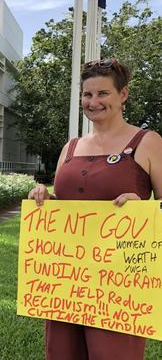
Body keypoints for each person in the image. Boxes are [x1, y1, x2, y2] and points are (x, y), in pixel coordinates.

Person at [28, 59, 162, 359]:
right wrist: (45, 199)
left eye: (103, 94)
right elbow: (63, 205)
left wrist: (145, 210)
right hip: (65, 278)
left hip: (119, 284)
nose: (94, 102)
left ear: (123, 95)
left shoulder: (147, 142)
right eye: (88, 95)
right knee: (61, 354)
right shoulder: (71, 147)